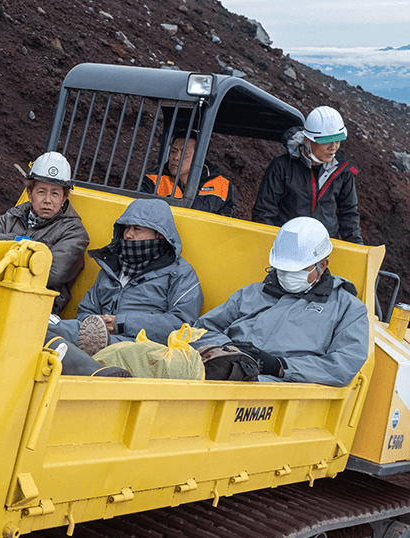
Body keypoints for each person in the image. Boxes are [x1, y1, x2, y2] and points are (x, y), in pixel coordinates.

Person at [194, 217, 369, 386]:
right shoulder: (252, 293)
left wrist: (279, 367)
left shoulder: (348, 309)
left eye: (298, 269)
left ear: (322, 265)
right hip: (223, 373)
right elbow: (201, 329)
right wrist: (229, 350)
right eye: (282, 268)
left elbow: (343, 366)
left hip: (280, 391)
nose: (287, 275)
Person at [47, 198, 203, 354]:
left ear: (160, 234)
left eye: (137, 229)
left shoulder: (181, 273)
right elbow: (85, 311)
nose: (128, 235)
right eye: (126, 228)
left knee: (56, 334)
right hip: (94, 338)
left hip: (142, 348)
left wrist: (121, 324)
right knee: (51, 329)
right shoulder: (112, 267)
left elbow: (182, 325)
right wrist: (95, 325)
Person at [0, 151, 89, 313]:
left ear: (64, 198)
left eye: (55, 193)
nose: (48, 200)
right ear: (30, 194)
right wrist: (22, 241)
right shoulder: (15, 215)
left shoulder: (75, 233)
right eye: (41, 191)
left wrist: (5, 249)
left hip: (34, 305)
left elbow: (50, 273)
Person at [252, 106, 363, 244]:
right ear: (307, 141)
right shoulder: (282, 167)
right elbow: (264, 213)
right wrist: (268, 245)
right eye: (326, 141)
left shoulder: (343, 171)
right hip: (288, 247)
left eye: (338, 140)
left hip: (324, 249)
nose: (333, 147)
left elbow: (349, 213)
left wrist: (357, 247)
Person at [140, 130, 236, 216]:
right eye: (173, 151)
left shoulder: (222, 186)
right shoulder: (154, 180)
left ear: (199, 158)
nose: (176, 157)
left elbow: (226, 224)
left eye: (184, 154)